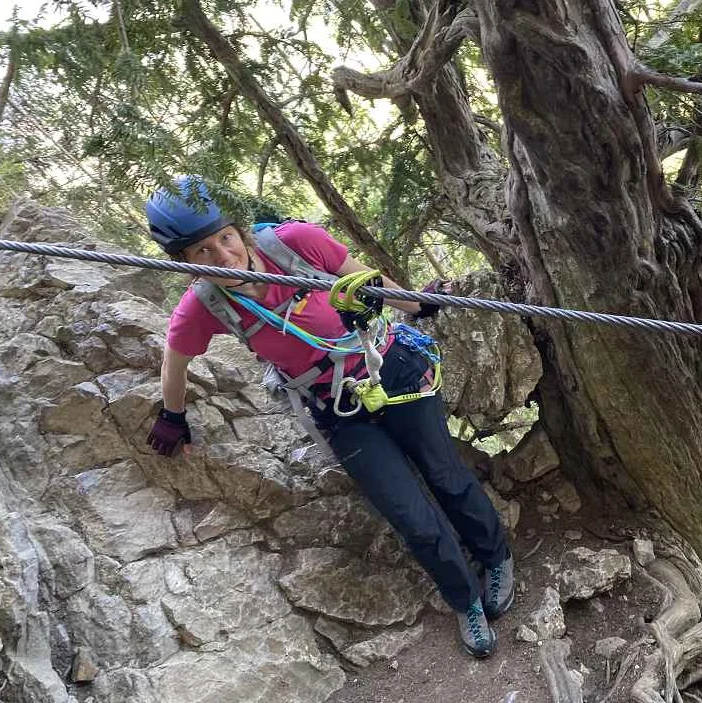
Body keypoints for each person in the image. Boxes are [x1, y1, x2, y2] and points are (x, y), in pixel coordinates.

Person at [144, 177, 513, 658]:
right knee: (408, 513)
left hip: (392, 370)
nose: (223, 255)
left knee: (445, 473)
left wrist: (419, 304)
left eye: (225, 238)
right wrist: (173, 415)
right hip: (337, 407)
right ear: (185, 262)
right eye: (202, 250)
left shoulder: (294, 243)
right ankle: (465, 601)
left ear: (239, 231)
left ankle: (496, 556)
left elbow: (369, 284)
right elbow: (175, 361)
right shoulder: (204, 306)